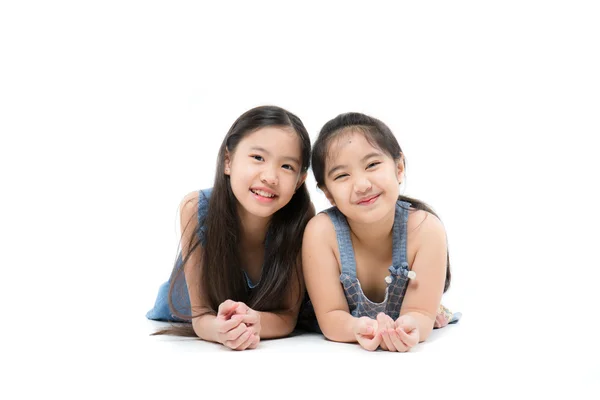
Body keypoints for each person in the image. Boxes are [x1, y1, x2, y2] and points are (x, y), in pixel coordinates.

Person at [146, 105, 315, 351]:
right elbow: (201, 315)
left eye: (287, 166)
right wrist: (220, 331)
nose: (270, 176)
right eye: (258, 158)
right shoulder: (196, 208)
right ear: (228, 161)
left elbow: (287, 316)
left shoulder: (302, 218)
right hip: (189, 314)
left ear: (300, 181)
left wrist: (255, 322)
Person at [302, 112, 460, 352]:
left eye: (372, 165)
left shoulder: (425, 229)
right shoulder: (321, 233)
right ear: (328, 194)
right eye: (342, 175)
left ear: (398, 167)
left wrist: (411, 326)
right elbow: (331, 317)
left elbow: (421, 313)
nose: (362, 185)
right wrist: (355, 328)